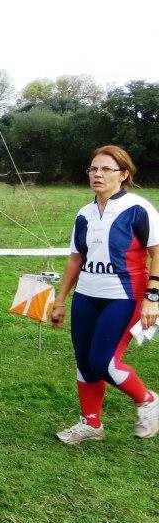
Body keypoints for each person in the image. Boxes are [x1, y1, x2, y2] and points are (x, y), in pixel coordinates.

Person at [51, 145, 159, 444]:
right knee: (85, 361)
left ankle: (149, 401)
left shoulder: (138, 208)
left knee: (104, 361)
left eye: (106, 169)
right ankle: (91, 424)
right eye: (93, 169)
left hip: (124, 296)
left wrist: (153, 298)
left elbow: (156, 252)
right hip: (86, 295)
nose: (97, 174)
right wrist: (60, 301)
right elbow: (75, 259)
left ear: (123, 174)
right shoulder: (83, 214)